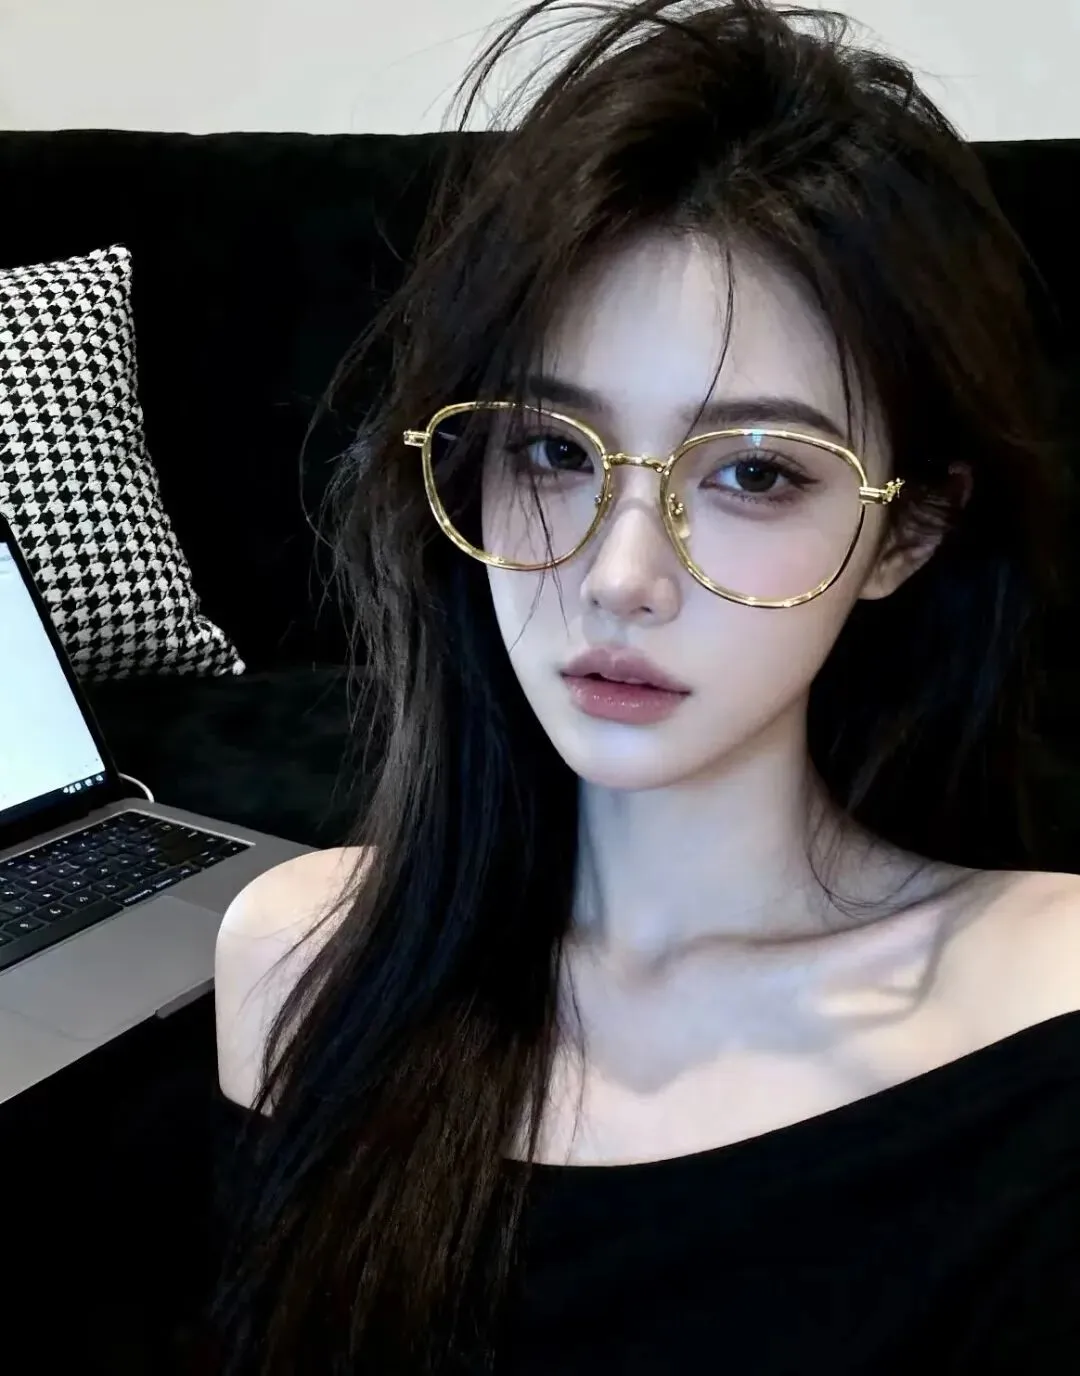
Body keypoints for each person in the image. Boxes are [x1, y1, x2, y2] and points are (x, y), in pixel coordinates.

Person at [211, 2, 1080, 1372]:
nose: (620, 576)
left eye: (754, 474)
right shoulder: (301, 959)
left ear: (905, 535)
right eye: (553, 451)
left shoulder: (1042, 1011)